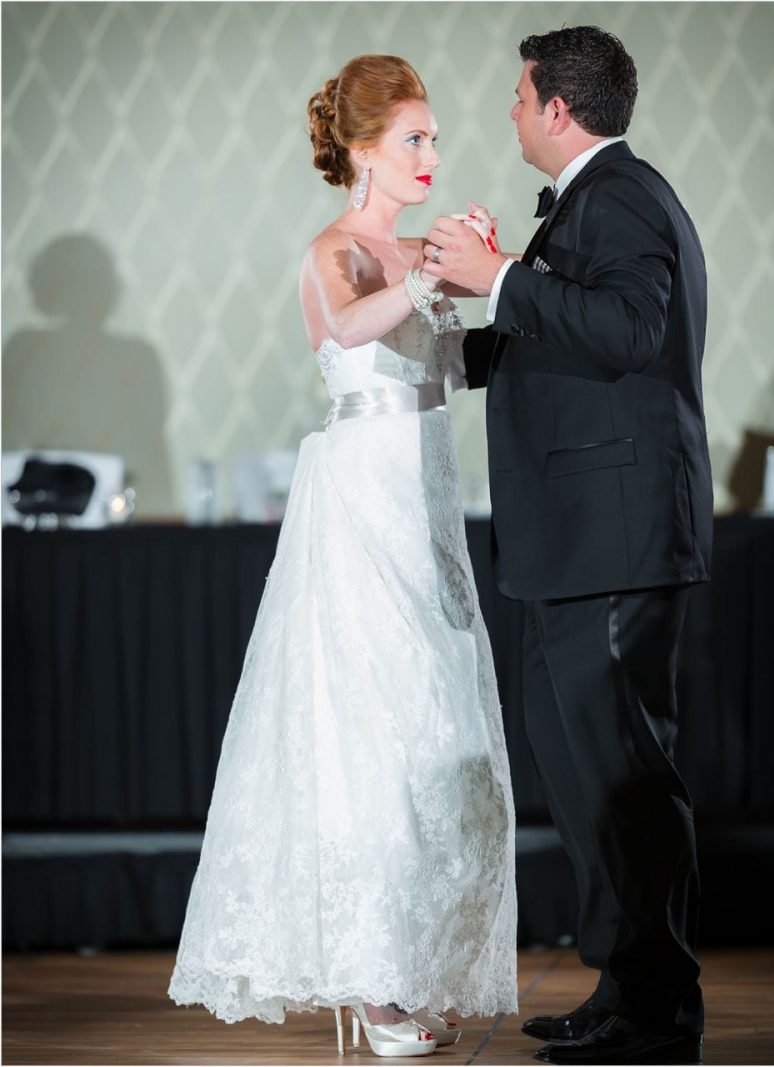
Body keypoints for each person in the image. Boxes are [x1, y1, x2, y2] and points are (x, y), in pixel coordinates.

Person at [168, 55, 518, 1057]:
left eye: (435, 138)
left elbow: (448, 365)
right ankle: (372, 985)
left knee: (440, 737)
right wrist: (421, 275)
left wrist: (482, 278)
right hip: (362, 499)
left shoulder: (418, 250)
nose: (431, 156)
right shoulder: (332, 251)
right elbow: (355, 322)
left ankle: (406, 960)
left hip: (427, 500)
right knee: (371, 739)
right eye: (414, 138)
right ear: (363, 151)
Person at [420, 26, 710, 1066]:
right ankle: (621, 984)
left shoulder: (622, 195)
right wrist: (480, 293)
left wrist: (502, 274)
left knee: (627, 777)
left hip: (617, 541)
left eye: (515, 96)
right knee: (587, 776)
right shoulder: (583, 208)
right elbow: (562, 341)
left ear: (556, 109)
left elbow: (634, 330)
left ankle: (660, 1008)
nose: (506, 111)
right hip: (573, 542)